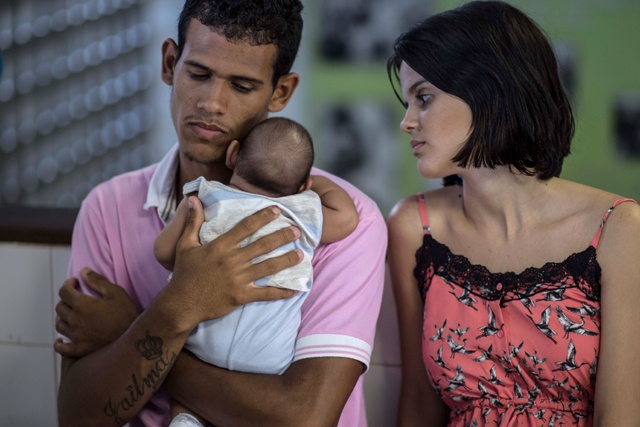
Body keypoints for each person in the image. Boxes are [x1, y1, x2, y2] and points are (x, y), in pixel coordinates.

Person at [53, 1, 387, 426]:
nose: (211, 102)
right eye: (199, 74)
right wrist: (180, 306)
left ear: (280, 92)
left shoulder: (343, 220)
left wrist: (134, 332)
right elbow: (78, 417)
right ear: (170, 63)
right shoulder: (108, 207)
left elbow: (303, 419)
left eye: (242, 86)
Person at [386, 1, 640, 426]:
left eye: (424, 98)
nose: (407, 122)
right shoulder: (414, 226)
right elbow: (417, 401)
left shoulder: (618, 228)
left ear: (488, 91)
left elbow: (620, 417)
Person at [154, 117, 359, 427]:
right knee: (253, 405)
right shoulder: (299, 212)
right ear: (304, 186)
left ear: (233, 154)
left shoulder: (204, 196)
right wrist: (311, 186)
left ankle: (185, 418)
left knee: (188, 392)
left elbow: (163, 253)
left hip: (201, 342)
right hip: (266, 354)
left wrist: (189, 210)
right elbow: (347, 218)